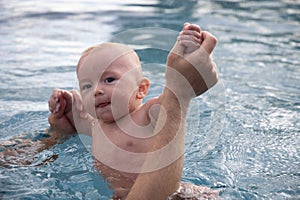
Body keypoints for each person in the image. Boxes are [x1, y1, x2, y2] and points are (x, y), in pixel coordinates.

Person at [1, 23, 218, 199]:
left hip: (171, 191)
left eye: (109, 79)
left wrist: (187, 47)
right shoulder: (95, 126)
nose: (97, 91)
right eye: (87, 86)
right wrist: (62, 104)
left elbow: (173, 104)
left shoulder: (147, 115)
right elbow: (73, 116)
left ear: (141, 89)